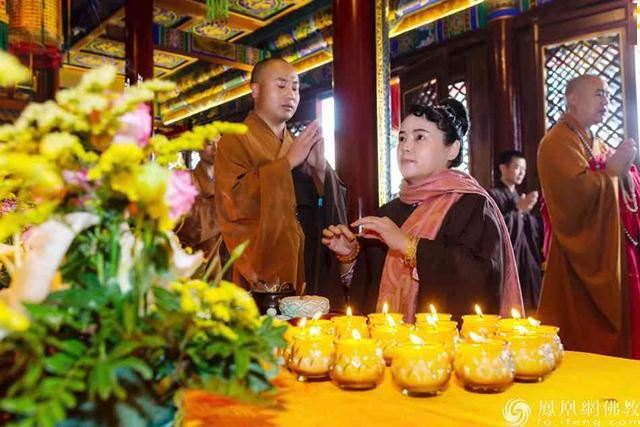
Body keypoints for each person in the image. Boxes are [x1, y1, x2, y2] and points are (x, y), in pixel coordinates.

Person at [321, 99, 523, 322]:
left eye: (420, 137)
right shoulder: (387, 213)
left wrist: (409, 246)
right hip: (388, 340)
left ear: (452, 149)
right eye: (402, 138)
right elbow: (366, 297)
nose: (406, 147)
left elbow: (482, 280)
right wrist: (349, 257)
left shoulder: (473, 206)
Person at [214, 57, 348, 307]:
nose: (291, 95)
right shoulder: (234, 141)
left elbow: (330, 204)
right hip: (258, 274)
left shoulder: (295, 144)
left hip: (304, 264)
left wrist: (320, 170)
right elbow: (233, 204)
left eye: (295, 87)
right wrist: (286, 164)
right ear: (255, 90)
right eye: (281, 85)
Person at [538, 74, 639, 358]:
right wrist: (613, 172)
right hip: (578, 255)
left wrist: (626, 174)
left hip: (611, 249)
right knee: (581, 339)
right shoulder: (557, 141)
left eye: (607, 94)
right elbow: (574, 196)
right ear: (573, 99)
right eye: (598, 93)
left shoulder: (597, 142)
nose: (606, 101)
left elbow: (623, 190)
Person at [489, 150, 544, 313]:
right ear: (503, 168)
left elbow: (532, 233)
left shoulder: (519, 196)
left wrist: (526, 214)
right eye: (517, 167)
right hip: (509, 260)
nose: (521, 173)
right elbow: (495, 230)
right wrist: (518, 211)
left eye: (524, 169)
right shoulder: (493, 195)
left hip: (527, 260)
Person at [176, 136, 224, 274]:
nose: (216, 148)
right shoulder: (186, 180)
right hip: (195, 256)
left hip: (225, 256)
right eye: (209, 143)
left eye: (219, 143)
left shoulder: (229, 180)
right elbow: (187, 225)